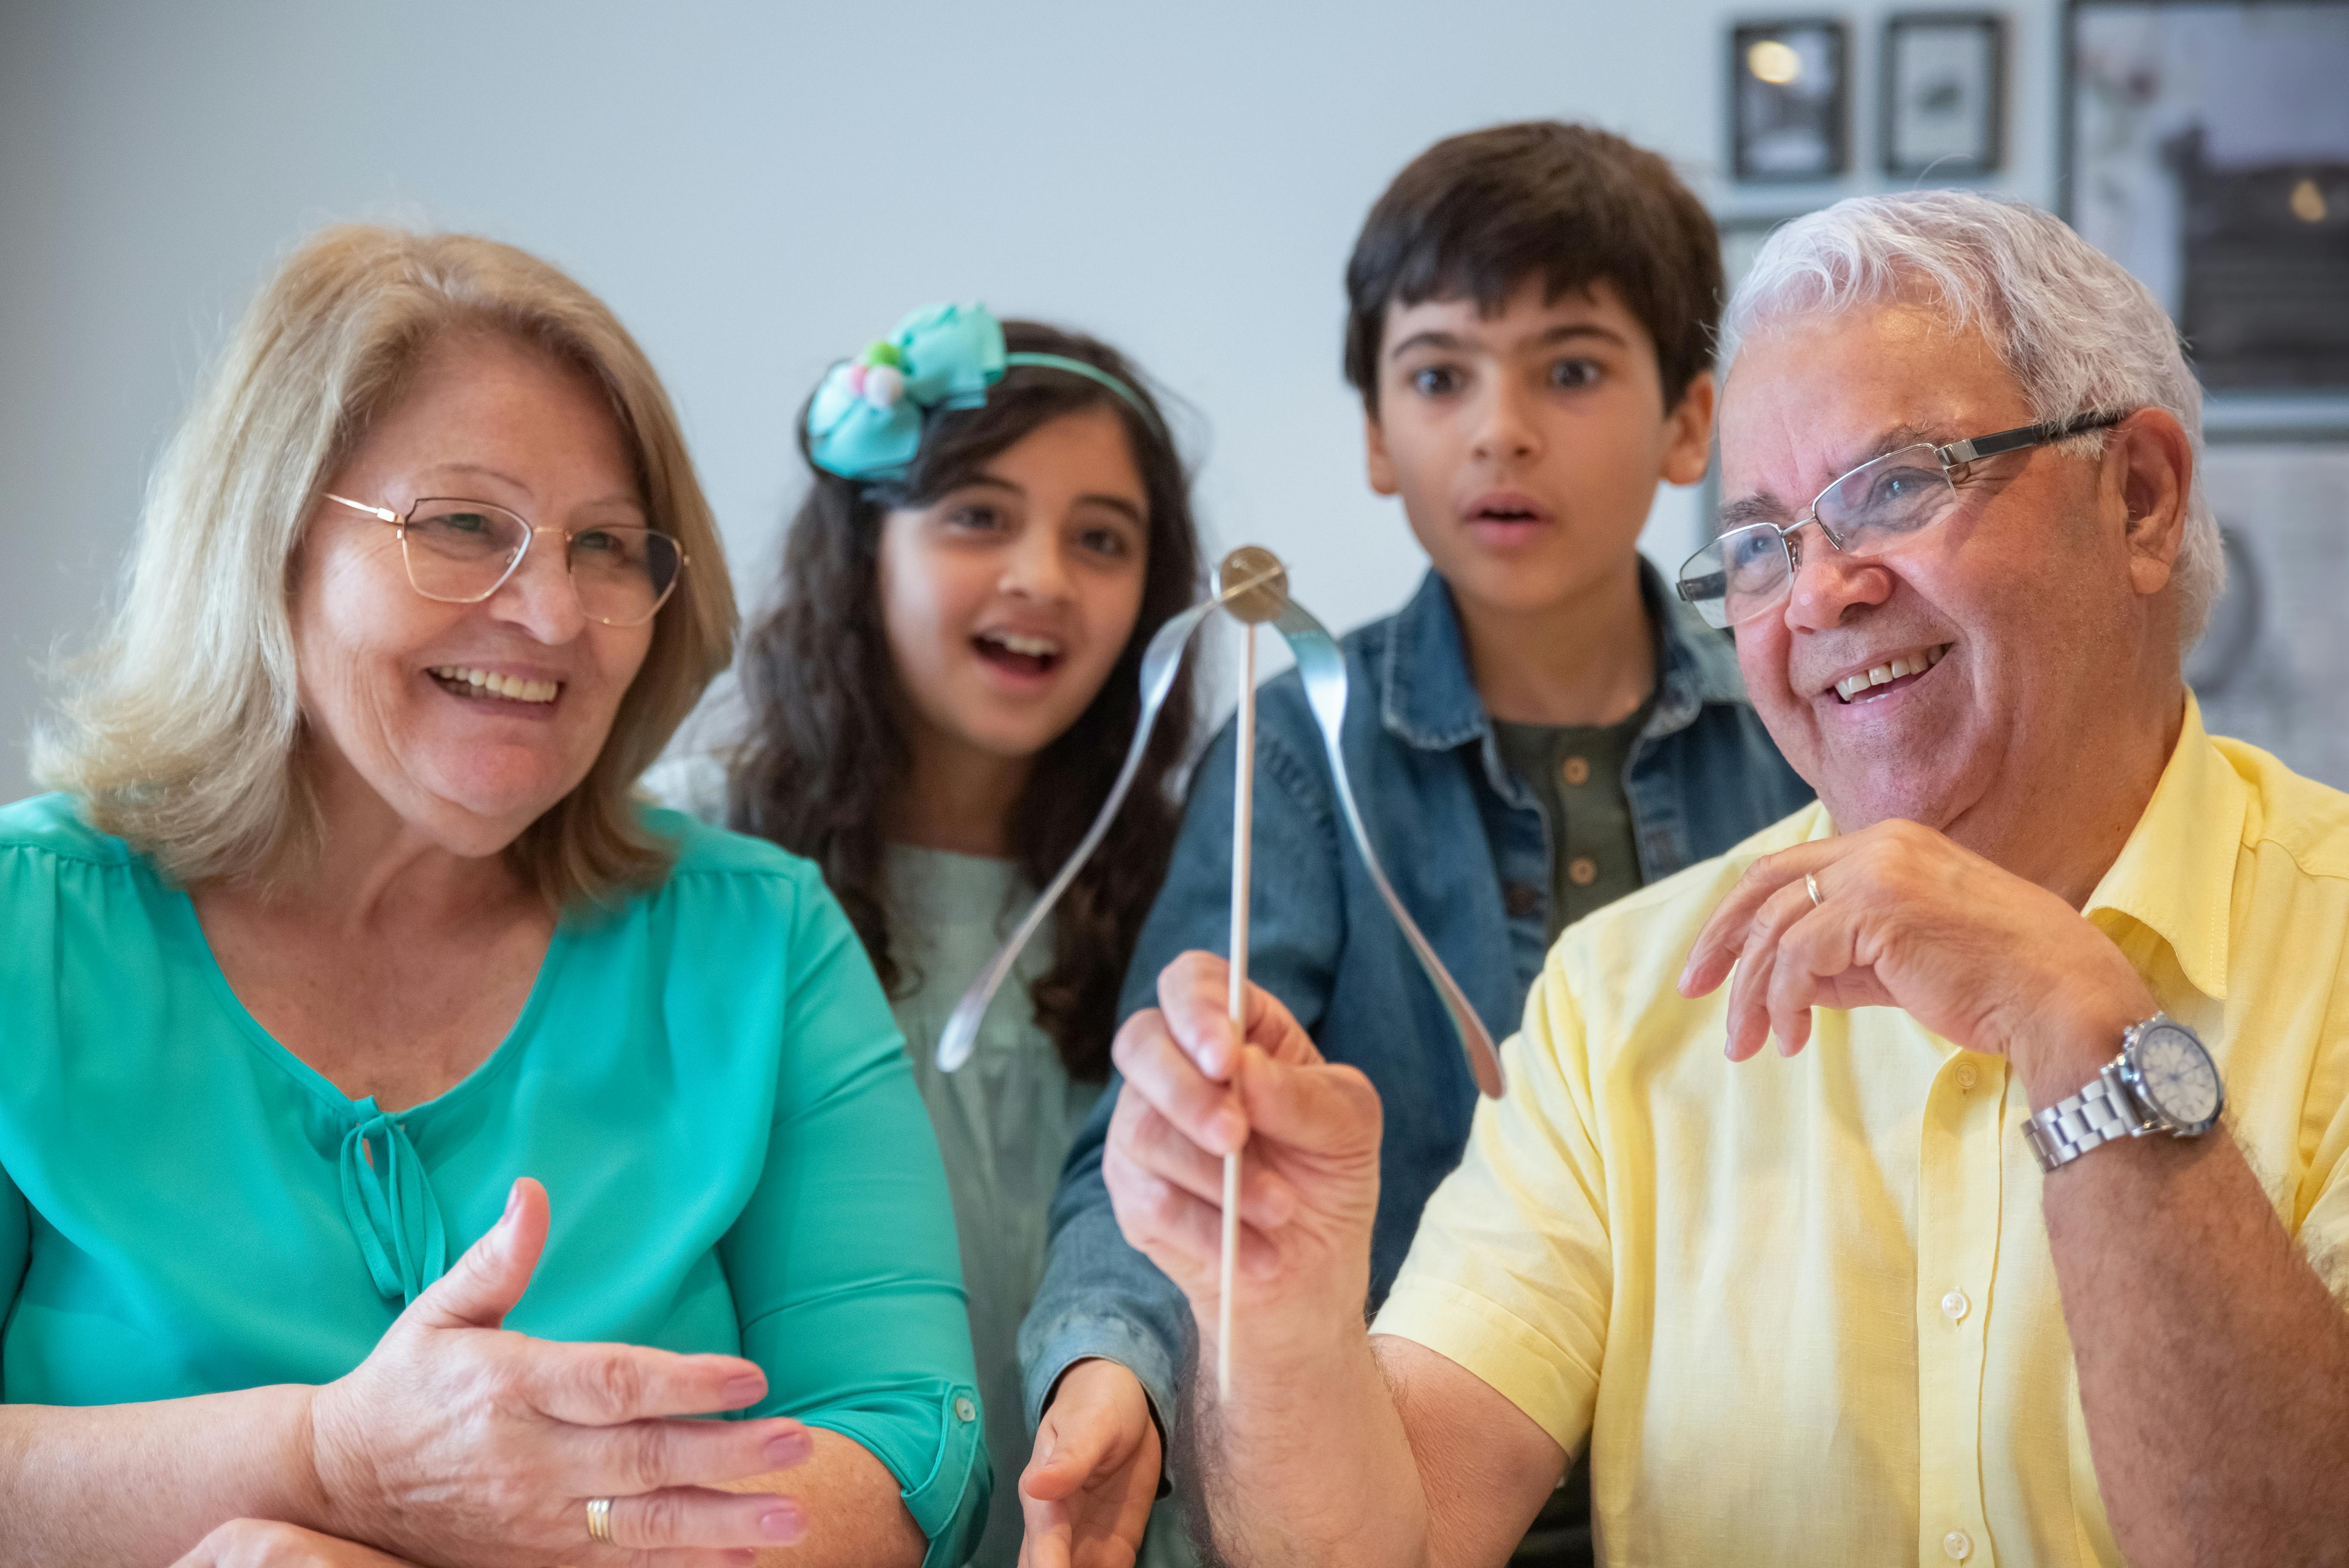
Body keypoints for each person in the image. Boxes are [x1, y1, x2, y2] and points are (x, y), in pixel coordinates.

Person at [1099, 189, 2349, 1567]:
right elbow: (1383, 1541)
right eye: (1760, 544)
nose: (1819, 595)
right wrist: (1273, 1323)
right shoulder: (1621, 1000)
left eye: (1897, 485)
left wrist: (2085, 1032)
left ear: (2141, 498)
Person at [0, 227, 986, 1568]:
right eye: (463, 525)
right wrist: (327, 1461)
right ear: (270, 539)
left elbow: (904, 1456)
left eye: (608, 548)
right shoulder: (28, 926)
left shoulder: (762, 940)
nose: (552, 614)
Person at [1017, 122, 1812, 1565]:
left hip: (1758, 1497)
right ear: (1381, 435)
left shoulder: (1800, 717)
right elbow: (1159, 1148)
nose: (1501, 429)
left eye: (1571, 370)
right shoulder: (1295, 756)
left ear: (1693, 419)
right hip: (1403, 1503)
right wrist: (1106, 1369)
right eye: (1442, 375)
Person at [648, 302, 1204, 1568]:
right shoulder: (692, 862)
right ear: (866, 546)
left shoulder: (1192, 887)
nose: (1043, 577)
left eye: (1102, 539)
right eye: (979, 515)